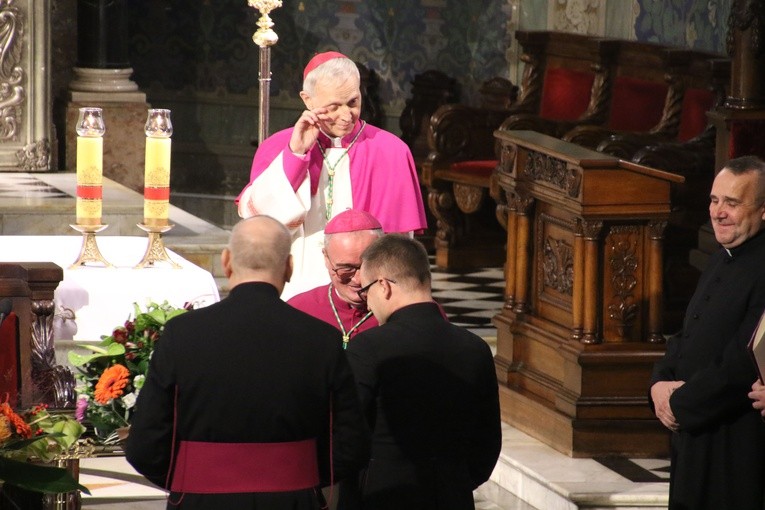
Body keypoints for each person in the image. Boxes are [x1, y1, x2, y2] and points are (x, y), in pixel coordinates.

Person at [125, 216, 369, 510]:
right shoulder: (322, 339)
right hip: (294, 499)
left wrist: (193, 477)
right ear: (289, 267)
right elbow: (351, 444)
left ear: (227, 261)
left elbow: (144, 445)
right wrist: (298, 475)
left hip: (200, 499)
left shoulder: (182, 334)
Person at [236, 51, 427, 299]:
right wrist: (296, 155)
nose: (346, 116)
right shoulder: (278, 147)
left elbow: (399, 248)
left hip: (365, 288)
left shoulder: (391, 151)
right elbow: (261, 223)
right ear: (308, 100)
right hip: (298, 283)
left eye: (353, 102)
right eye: (334, 107)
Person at [345, 234, 501, 510]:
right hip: (453, 497)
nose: (367, 304)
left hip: (382, 497)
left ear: (383, 286)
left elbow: (349, 437)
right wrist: (454, 482)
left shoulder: (368, 348)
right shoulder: (475, 348)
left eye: (365, 292)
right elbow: (487, 445)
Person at [649, 155, 765, 510]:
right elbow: (688, 333)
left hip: (733, 441)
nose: (718, 212)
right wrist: (659, 383)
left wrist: (680, 403)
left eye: (732, 203)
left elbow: (742, 359)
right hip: (693, 430)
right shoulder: (721, 256)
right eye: (714, 200)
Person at [288, 208, 383, 347]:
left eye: (367, 267)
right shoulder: (298, 310)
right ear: (326, 258)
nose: (358, 280)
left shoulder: (401, 311)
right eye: (346, 269)